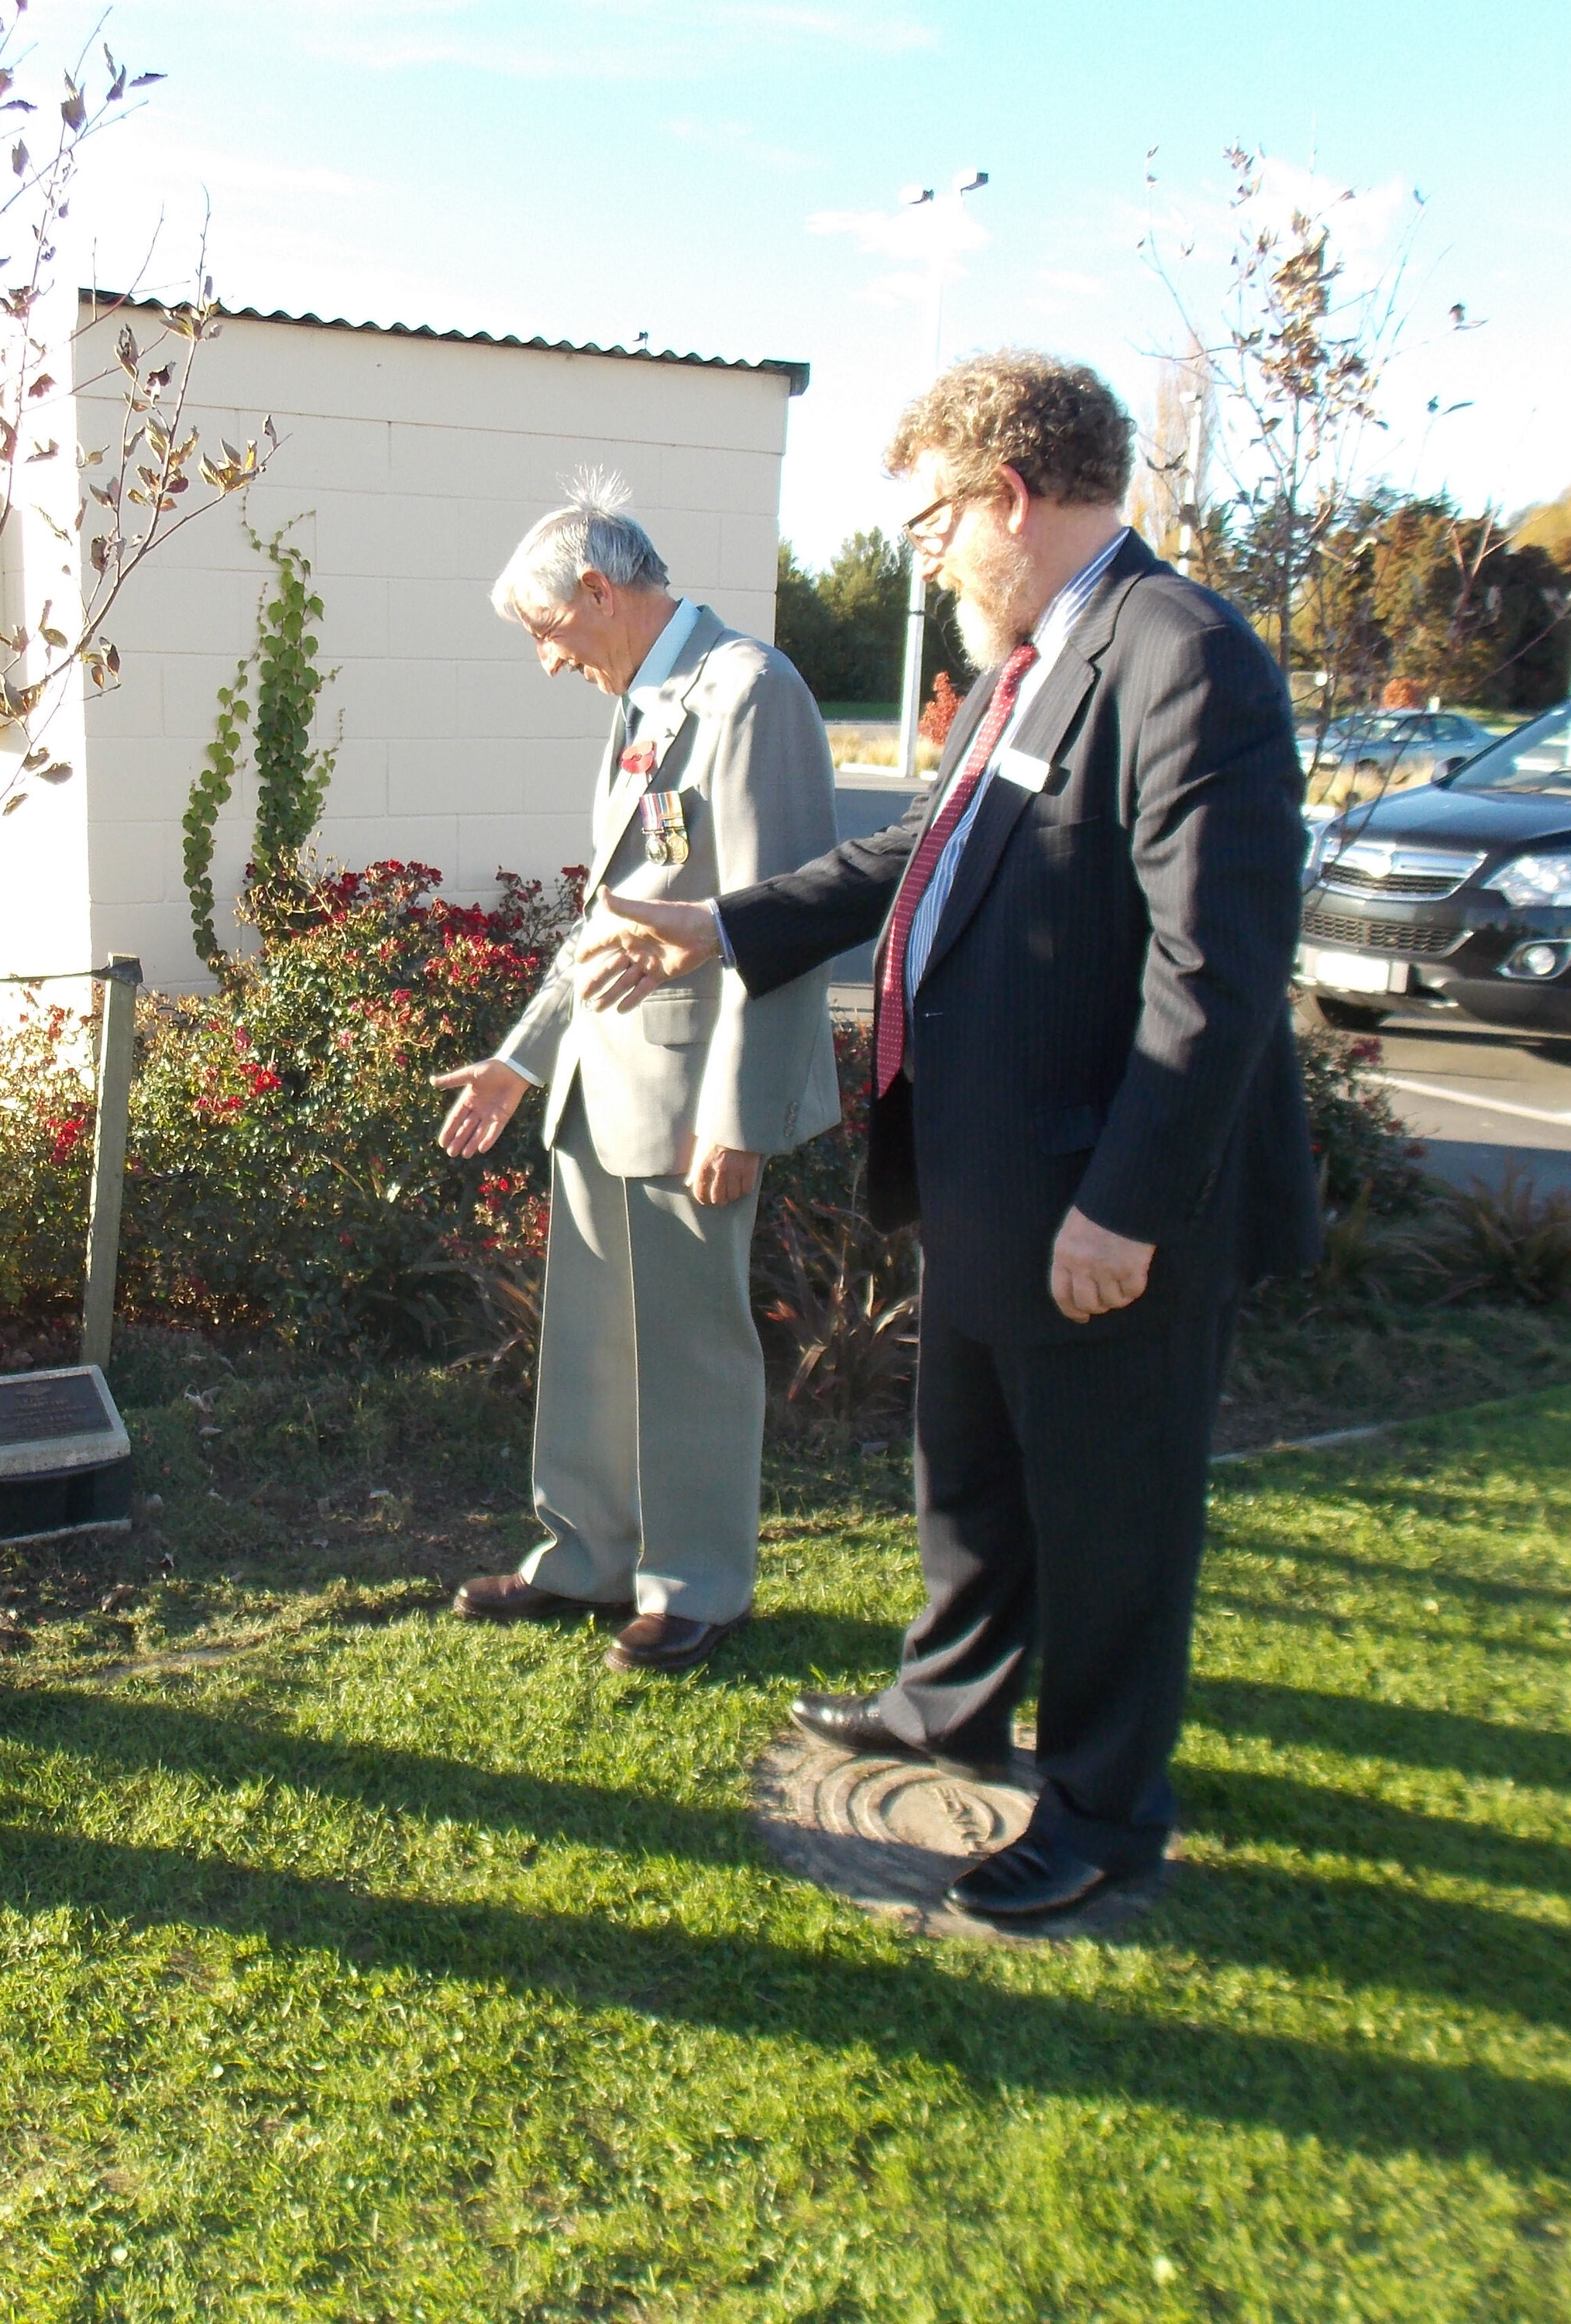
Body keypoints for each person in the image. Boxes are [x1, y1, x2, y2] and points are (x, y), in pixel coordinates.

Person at [579, 355, 1318, 1923]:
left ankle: (1105, 1806)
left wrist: (1124, 1207)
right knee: (967, 1471)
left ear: (1007, 497)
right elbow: (925, 855)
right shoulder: (1025, 661)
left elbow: (1219, 967)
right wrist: (713, 926)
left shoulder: (1180, 655)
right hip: (988, 1176)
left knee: (1111, 1515)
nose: (919, 553)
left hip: (1100, 1198)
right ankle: (944, 1709)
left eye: (928, 522)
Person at [430, 477, 841, 1675]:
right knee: (597, 1345)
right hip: (599, 1089)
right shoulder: (647, 700)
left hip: (690, 1097)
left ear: (602, 594)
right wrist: (519, 1061)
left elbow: (785, 918)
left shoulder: (749, 693)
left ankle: (696, 1582)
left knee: (690, 1347)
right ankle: (588, 1559)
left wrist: (742, 1109)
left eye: (551, 636)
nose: (550, 665)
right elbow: (612, 916)